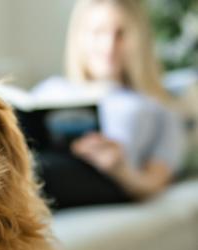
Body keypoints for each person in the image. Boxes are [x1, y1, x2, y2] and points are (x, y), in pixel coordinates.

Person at [33, 0, 186, 209]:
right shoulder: (50, 89)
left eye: (121, 33)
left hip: (104, 178)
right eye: (98, 32)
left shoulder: (156, 105)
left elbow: (155, 182)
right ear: (80, 37)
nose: (109, 46)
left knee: (34, 171)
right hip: (38, 163)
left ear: (139, 39)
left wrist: (120, 169)